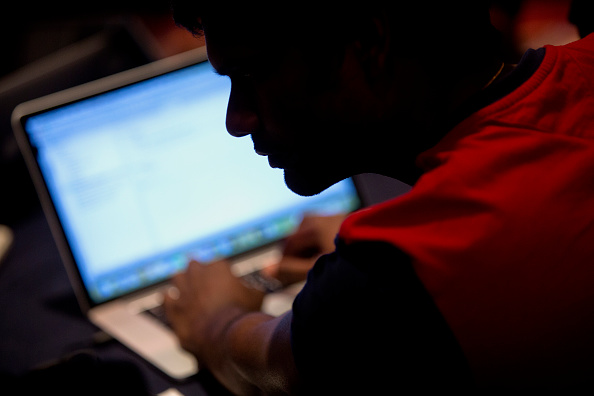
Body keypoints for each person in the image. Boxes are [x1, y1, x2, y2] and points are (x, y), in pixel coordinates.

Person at [164, 1, 594, 394]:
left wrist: (214, 321)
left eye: (252, 74)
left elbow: (268, 370)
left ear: (369, 45)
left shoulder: (393, 277)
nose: (236, 121)